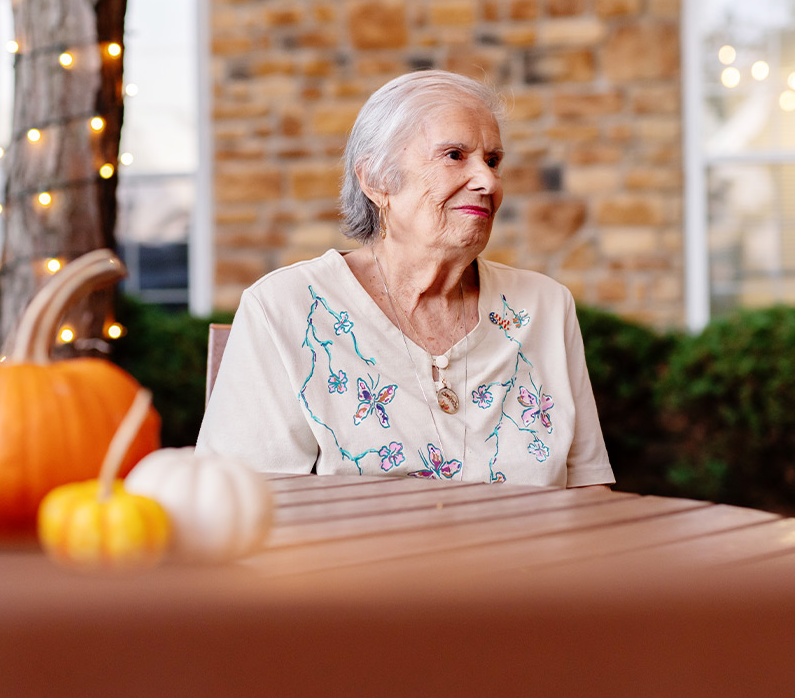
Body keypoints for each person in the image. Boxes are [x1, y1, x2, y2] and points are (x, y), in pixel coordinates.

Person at [196, 70, 615, 488]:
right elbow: (239, 505)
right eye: (454, 155)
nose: (488, 181)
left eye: (492, 160)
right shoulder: (285, 309)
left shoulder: (544, 306)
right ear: (377, 180)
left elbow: (588, 493)